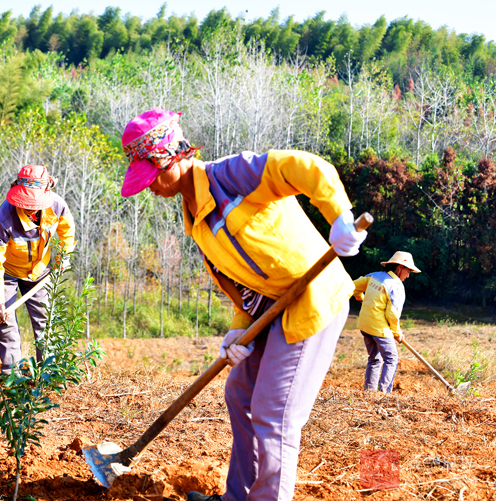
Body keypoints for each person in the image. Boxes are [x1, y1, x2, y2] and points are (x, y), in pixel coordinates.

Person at [119, 109, 367, 501]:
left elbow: (306, 166)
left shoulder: (230, 176)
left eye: (150, 176)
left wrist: (339, 215)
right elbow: (239, 282)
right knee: (239, 393)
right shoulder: (196, 218)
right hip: (270, 309)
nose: (148, 187)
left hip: (313, 298)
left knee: (274, 412)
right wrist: (240, 327)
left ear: (172, 158)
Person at [0, 164, 76, 373]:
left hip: (39, 271)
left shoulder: (57, 206)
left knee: (45, 320)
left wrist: (64, 257)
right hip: (7, 272)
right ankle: (11, 375)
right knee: (5, 322)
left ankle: (48, 373)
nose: (30, 207)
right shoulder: (5, 218)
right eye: (26, 202)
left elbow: (67, 232)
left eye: (35, 203)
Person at [352, 251, 420, 394]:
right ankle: (384, 393)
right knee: (391, 359)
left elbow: (353, 287)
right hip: (379, 329)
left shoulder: (374, 276)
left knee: (374, 359)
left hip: (365, 325)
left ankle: (369, 392)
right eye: (408, 271)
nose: (408, 276)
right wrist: (397, 333)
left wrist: (361, 298)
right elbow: (393, 315)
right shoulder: (396, 286)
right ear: (400, 268)